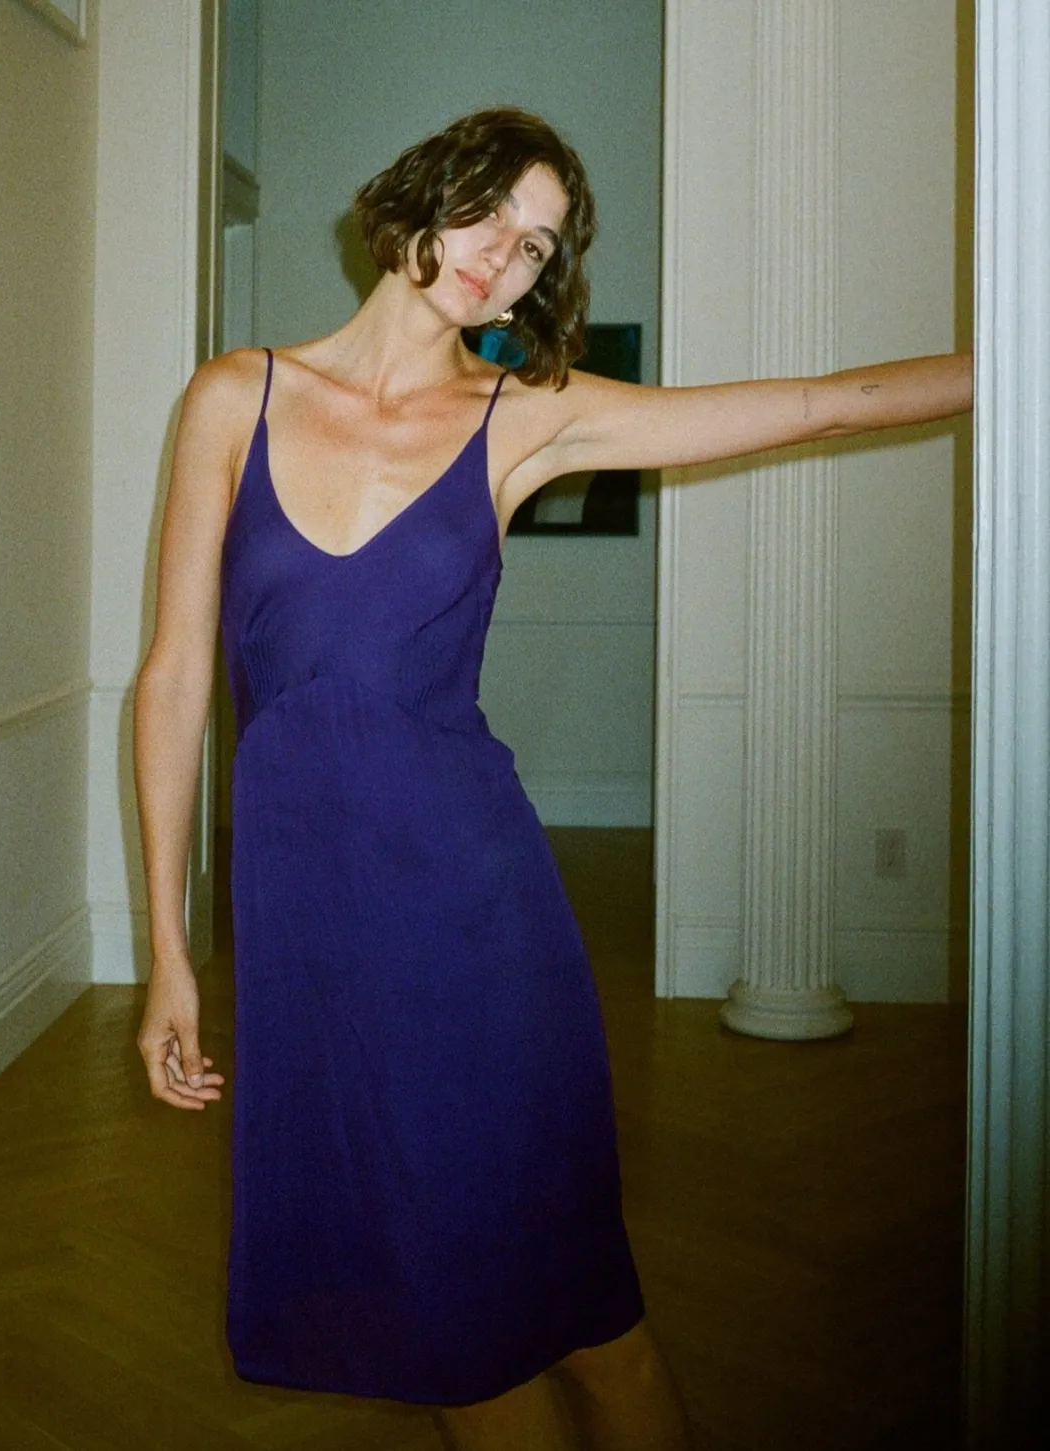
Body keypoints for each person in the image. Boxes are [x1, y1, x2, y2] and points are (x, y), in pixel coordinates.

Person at [133, 107, 972, 1451]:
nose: (502, 256)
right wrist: (169, 953)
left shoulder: (530, 418)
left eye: (536, 247)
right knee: (447, 1321)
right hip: (314, 938)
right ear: (422, 195)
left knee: (584, 1316)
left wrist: (1016, 362)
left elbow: (815, 404)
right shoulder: (236, 397)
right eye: (490, 213)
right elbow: (175, 678)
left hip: (477, 920)